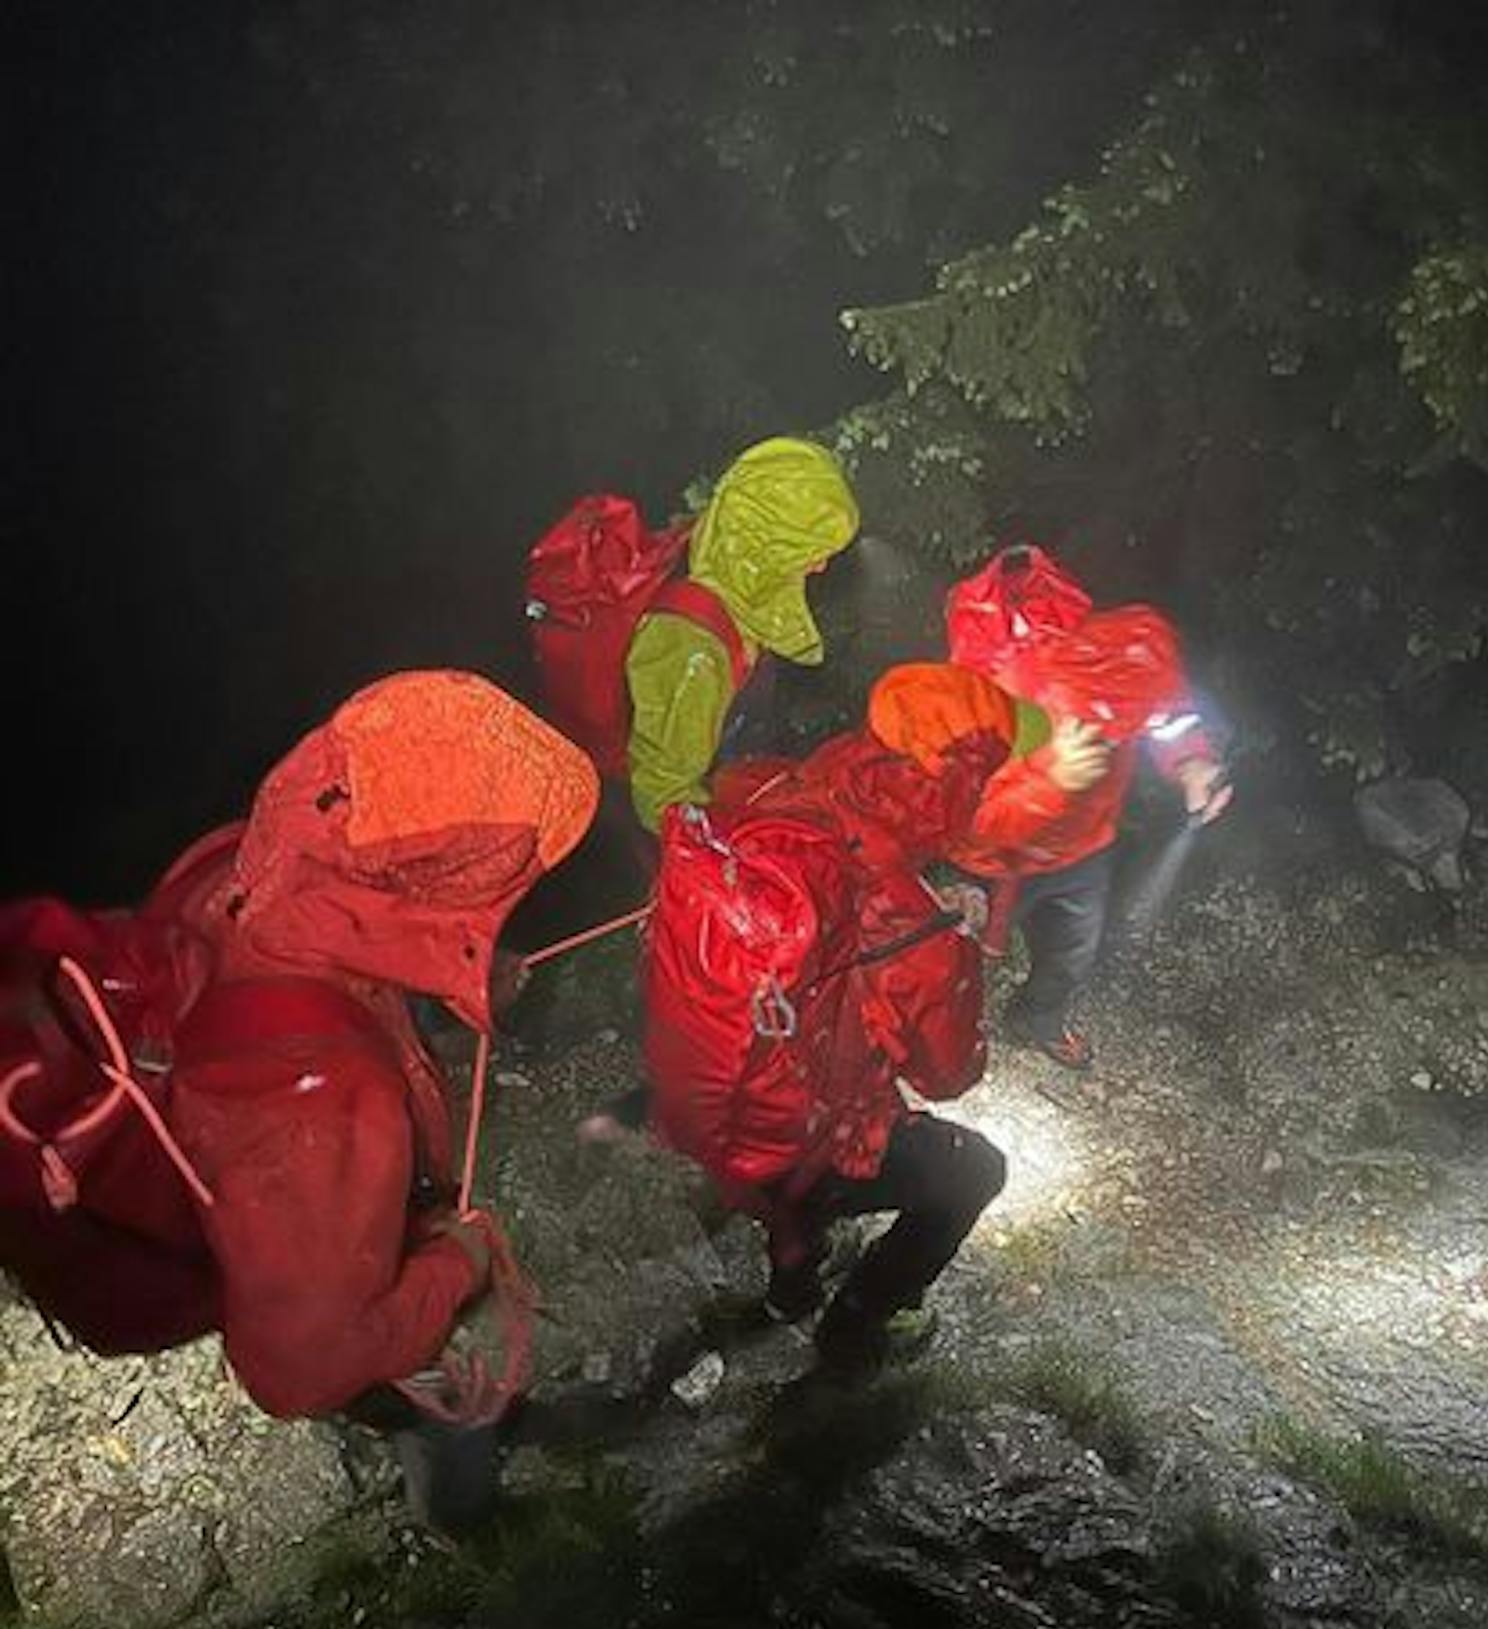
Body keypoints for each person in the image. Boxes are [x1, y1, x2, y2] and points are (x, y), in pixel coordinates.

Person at [0, 670, 597, 1527]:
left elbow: (343, 949)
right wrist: (460, 1259)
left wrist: (458, 972)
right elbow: (294, 1370)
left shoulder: (259, 855)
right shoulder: (332, 1105)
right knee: (386, 1357)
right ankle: (451, 1492)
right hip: (278, 1214)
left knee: (348, 1284)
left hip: (254, 1155)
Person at [642, 661, 1015, 1372]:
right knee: (975, 1172)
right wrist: (953, 943)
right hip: (799, 1140)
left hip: (697, 1092)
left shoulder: (769, 784)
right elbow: (949, 1074)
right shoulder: (917, 934)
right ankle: (856, 1325)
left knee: (794, 1148)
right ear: (955, 786)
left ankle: (792, 1282)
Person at [944, 544, 1233, 1068]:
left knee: (1073, 951)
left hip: (1083, 848)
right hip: (990, 862)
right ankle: (935, 1040)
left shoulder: (1118, 664)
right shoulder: (989, 701)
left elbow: (1168, 713)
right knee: (951, 955)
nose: (1113, 738)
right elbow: (977, 819)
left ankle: (1038, 1019)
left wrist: (1192, 763)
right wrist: (1053, 783)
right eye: (1099, 730)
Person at [624, 435, 859, 833]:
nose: (820, 567)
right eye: (807, 551)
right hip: (667, 851)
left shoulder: (740, 602)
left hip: (728, 796)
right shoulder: (692, 644)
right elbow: (662, 795)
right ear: (763, 545)